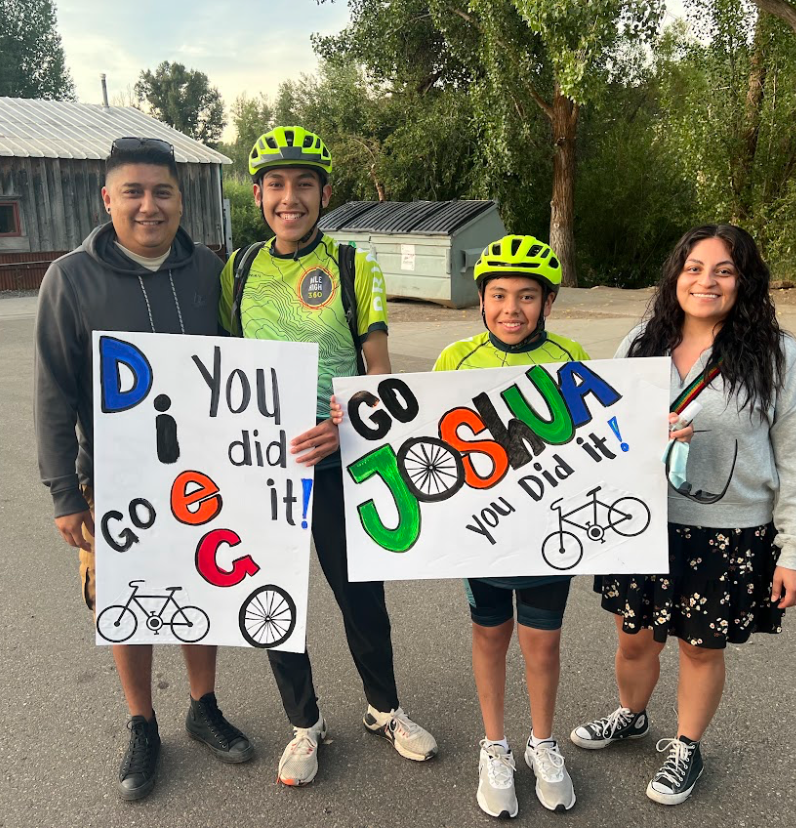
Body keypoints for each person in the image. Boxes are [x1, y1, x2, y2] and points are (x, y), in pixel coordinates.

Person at [570, 224, 796, 805]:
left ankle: (687, 745)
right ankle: (632, 714)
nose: (706, 281)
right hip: (642, 522)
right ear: (675, 277)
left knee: (700, 647)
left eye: (723, 271)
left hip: (726, 532)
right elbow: (600, 429)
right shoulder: (641, 344)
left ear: (744, 282)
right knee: (634, 638)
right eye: (694, 268)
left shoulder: (777, 356)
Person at [34, 137, 254, 801]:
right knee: (126, 601)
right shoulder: (70, 279)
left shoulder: (210, 270)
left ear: (181, 200)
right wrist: (64, 493)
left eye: (163, 192)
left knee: (202, 588)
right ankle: (142, 723)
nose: (149, 206)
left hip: (204, 474)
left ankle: (203, 706)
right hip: (114, 479)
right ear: (108, 198)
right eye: (133, 192)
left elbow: (244, 369)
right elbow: (53, 392)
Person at [219, 126, 437, 787]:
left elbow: (379, 375)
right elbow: (222, 368)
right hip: (266, 467)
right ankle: (304, 724)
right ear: (258, 195)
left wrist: (347, 430)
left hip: (341, 462)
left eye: (304, 185)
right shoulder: (239, 269)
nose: (290, 198)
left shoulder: (351, 264)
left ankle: (385, 709)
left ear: (324, 194)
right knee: (274, 600)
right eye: (276, 185)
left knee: (360, 597)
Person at [433, 235, 588, 818]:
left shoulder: (571, 356)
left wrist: (659, 429)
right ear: (481, 300)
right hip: (484, 535)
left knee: (543, 643)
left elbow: (603, 439)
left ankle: (542, 743)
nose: (511, 309)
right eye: (498, 294)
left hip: (549, 531)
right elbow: (419, 442)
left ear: (548, 302)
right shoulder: (455, 358)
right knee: (490, 636)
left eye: (527, 296)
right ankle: (494, 745)